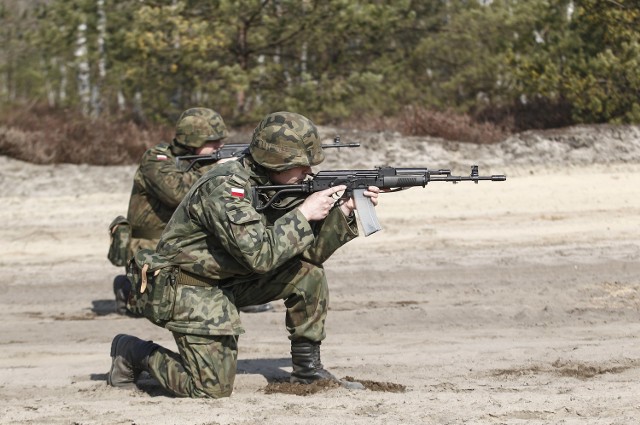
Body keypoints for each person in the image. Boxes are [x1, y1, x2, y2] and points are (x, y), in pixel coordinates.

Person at [106, 111, 380, 398]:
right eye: (300, 165)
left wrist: (344, 211)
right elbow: (260, 256)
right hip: (188, 288)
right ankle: (133, 351)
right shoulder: (226, 187)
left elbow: (310, 254)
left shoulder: (271, 184)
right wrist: (303, 214)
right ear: (276, 161)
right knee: (209, 390)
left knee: (307, 274)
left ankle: (307, 371)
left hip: (227, 280)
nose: (307, 172)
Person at [112, 107, 272, 315]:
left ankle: (238, 292)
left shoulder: (204, 162)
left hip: (189, 242)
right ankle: (127, 289)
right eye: (213, 142)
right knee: (158, 307)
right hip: (154, 248)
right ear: (192, 140)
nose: (219, 146)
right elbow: (177, 193)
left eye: (221, 141)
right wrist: (217, 169)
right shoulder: (156, 159)